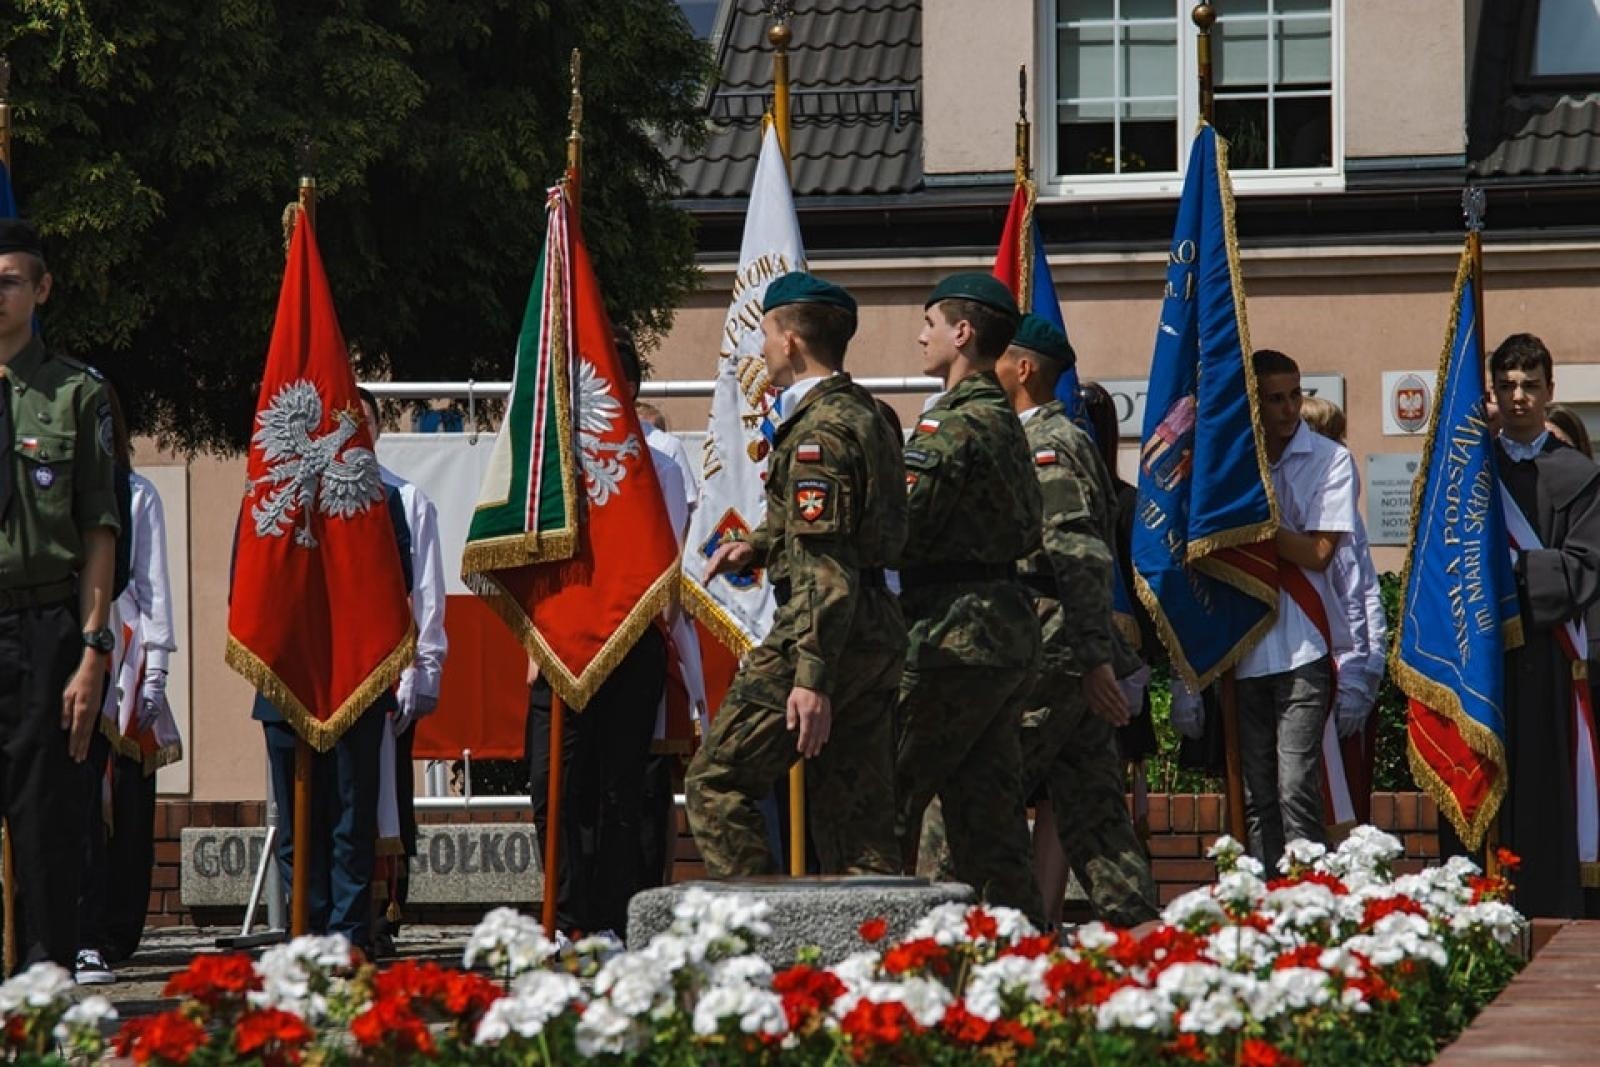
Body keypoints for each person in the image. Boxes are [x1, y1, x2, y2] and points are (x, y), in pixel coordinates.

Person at [922, 316, 1159, 927]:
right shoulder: (1037, 436)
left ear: (1022, 369)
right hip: (1058, 646)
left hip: (1049, 647)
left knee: (969, 793)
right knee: (1096, 815)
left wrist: (1087, 657)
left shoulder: (1047, 442)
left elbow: (1075, 557)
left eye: (997, 357)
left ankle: (938, 935)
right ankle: (1144, 937)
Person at [685, 272, 906, 878]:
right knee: (857, 821)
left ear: (790, 342)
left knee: (716, 783)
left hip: (824, 633)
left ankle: (763, 940)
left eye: (764, 334)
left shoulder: (817, 434)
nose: (759, 349)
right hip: (876, 633)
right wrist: (757, 547)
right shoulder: (867, 414)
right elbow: (849, 526)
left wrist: (811, 677)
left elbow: (826, 565)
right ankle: (879, 959)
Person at [894, 273, 1045, 925]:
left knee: (885, 794)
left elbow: (901, 519)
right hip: (1000, 632)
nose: (920, 334)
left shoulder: (953, 420)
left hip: (949, 636)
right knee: (990, 818)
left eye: (930, 321)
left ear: (962, 332)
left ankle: (874, 948)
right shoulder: (1005, 418)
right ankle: (1023, 952)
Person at [0, 218, 120, 973]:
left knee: (45, 821)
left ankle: (39, 992)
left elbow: (100, 527)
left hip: (45, 628)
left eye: (10, 279)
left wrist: (93, 649)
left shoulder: (78, 392)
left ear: (42, 289)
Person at [526, 330, 674, 935]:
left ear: (630, 389)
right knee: (551, 787)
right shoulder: (546, 465)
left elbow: (670, 557)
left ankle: (613, 921)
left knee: (621, 792)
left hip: (631, 641)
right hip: (558, 647)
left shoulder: (661, 462)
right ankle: (563, 920)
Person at [252, 468, 410, 954]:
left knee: (350, 821)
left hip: (354, 677)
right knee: (298, 828)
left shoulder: (382, 499)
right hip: (287, 678)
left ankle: (345, 938)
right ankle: (307, 933)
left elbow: (394, 582)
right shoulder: (267, 489)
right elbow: (251, 585)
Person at [1489, 333, 1600, 917]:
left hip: (1549, 658)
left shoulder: (1578, 474)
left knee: (1544, 793)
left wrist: (1514, 569)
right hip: (1483, 658)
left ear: (1551, 390)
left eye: (1531, 385)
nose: (1519, 397)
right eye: (1507, 385)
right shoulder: (1471, 473)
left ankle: (1550, 908)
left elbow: (1586, 568)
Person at [72, 388, 181, 983]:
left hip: (124, 660)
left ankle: (108, 929)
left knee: (122, 810)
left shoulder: (136, 495)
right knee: (75, 806)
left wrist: (156, 668)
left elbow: (154, 585)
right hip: (63, 659)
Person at [1234, 349, 1356, 870]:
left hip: (1303, 642)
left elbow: (1319, 553)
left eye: (1295, 395)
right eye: (1274, 398)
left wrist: (1252, 524)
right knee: (1257, 797)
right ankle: (1263, 907)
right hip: (1242, 644)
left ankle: (1310, 903)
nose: (1288, 409)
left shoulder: (1330, 459)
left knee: (1295, 789)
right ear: (1252, 404)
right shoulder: (1232, 464)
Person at [356, 389, 447, 957]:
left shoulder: (405, 497)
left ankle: (385, 908)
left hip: (392, 674)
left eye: (364, 421)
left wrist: (423, 668)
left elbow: (427, 593)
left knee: (389, 796)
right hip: (339, 677)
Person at [1300, 394, 1387, 823]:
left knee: (1342, 799)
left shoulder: (1342, 521)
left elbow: (1361, 593)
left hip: (1340, 668)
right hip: (1310, 660)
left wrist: (1360, 674)